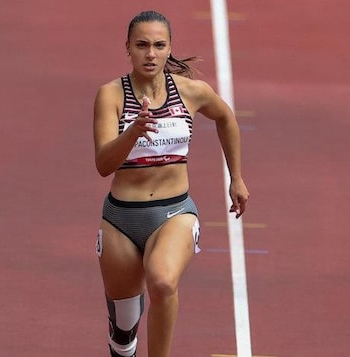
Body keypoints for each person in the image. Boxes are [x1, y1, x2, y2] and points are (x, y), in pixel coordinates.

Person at [93, 10, 250, 357]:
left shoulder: (192, 93)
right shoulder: (111, 96)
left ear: (169, 49)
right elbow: (104, 164)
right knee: (123, 331)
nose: (150, 53)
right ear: (128, 49)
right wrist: (133, 131)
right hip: (121, 218)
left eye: (159, 45)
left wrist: (235, 177)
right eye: (142, 45)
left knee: (163, 281)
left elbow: (225, 118)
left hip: (174, 211)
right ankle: (123, 340)